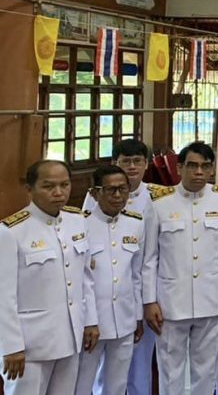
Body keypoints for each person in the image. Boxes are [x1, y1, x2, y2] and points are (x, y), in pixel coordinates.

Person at [142, 141, 218, 395]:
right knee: (170, 370)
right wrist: (149, 300)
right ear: (179, 167)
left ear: (212, 169)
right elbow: (149, 257)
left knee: (206, 369)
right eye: (192, 166)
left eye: (205, 166)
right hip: (170, 301)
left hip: (211, 297)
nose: (199, 172)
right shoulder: (160, 203)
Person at [0, 160, 99, 394]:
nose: (58, 192)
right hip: (30, 344)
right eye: (48, 186)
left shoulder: (77, 221)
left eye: (64, 185)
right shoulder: (11, 231)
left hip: (70, 336)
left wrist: (90, 321)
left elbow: (85, 278)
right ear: (30, 189)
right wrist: (11, 346)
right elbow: (3, 296)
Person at [100, 139, 166, 395]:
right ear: (114, 163)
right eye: (125, 161)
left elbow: (152, 256)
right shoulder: (95, 197)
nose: (132, 166)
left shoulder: (159, 196)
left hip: (146, 291)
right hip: (107, 294)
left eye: (137, 161)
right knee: (104, 368)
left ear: (146, 164)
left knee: (140, 363)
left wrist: (149, 300)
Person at [75, 165, 145, 395]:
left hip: (124, 320)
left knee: (117, 384)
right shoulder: (80, 225)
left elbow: (136, 275)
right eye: (110, 190)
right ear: (95, 193)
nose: (117, 196)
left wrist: (137, 317)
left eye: (123, 189)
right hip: (91, 321)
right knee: (82, 383)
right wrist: (89, 321)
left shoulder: (135, 223)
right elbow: (78, 280)